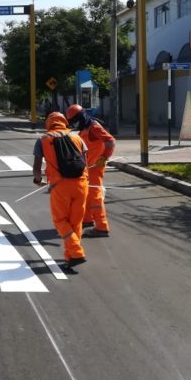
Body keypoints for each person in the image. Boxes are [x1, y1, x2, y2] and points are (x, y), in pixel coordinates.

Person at [32, 112, 89, 270]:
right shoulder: (77, 137)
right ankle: (70, 257)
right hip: (81, 184)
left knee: (60, 221)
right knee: (75, 222)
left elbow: (37, 168)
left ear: (48, 124)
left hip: (60, 186)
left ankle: (76, 253)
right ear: (64, 122)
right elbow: (85, 160)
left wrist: (38, 181)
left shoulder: (43, 139)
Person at [66, 104, 116, 237]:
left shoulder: (93, 127)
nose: (74, 124)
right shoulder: (84, 128)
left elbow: (110, 141)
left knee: (95, 196)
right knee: (87, 193)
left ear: (80, 117)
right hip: (88, 167)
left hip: (96, 167)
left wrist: (104, 157)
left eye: (74, 121)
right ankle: (87, 220)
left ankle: (102, 227)